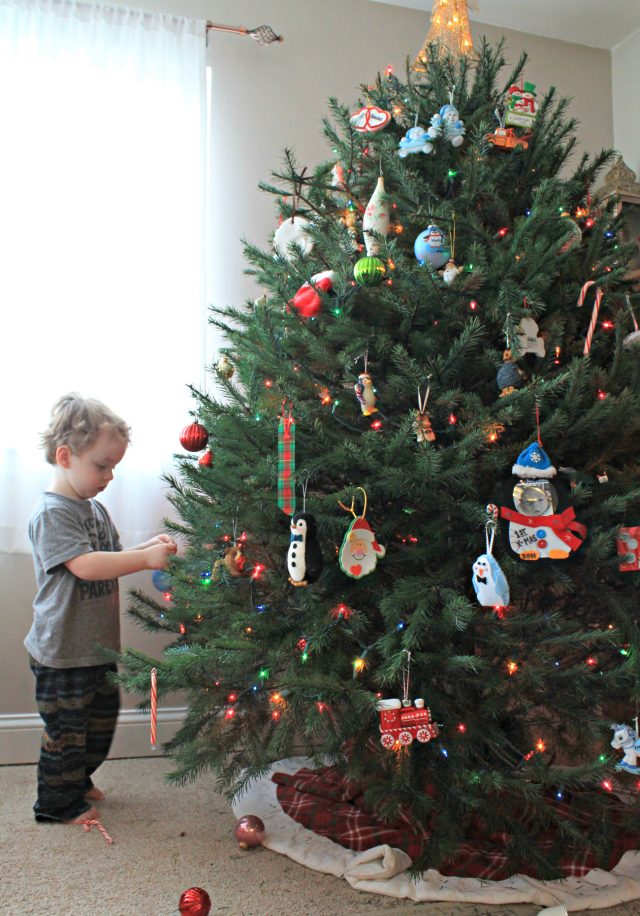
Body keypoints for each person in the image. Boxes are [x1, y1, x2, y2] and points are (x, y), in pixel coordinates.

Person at [25, 393, 177, 825]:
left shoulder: (93, 509)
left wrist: (150, 548)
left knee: (98, 725)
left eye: (114, 467)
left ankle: (78, 779)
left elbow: (113, 556)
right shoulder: (52, 513)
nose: (109, 476)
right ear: (65, 456)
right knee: (67, 734)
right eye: (101, 465)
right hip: (63, 653)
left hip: (97, 650)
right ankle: (57, 804)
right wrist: (145, 560)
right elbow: (86, 566)